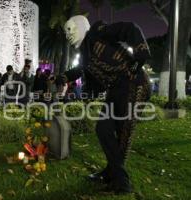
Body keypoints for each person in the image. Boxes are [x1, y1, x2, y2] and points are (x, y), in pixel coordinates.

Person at [62, 15, 151, 194]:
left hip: (134, 84)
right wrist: (62, 77)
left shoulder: (97, 33)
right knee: (103, 129)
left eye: (69, 29)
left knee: (123, 133)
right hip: (116, 89)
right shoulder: (86, 53)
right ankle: (111, 172)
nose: (67, 35)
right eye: (65, 32)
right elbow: (81, 70)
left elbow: (129, 26)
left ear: (80, 26)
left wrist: (140, 56)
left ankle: (121, 183)